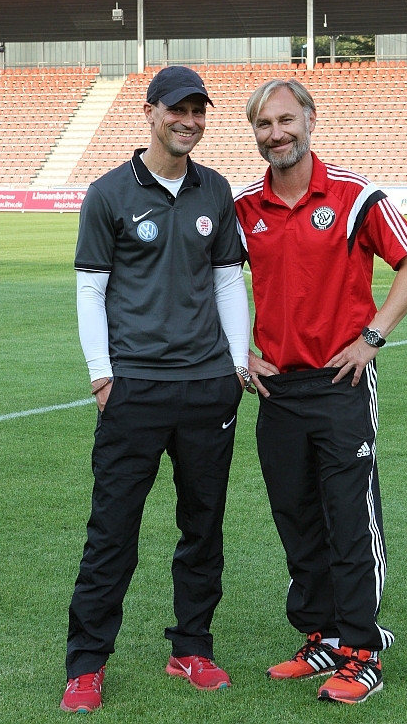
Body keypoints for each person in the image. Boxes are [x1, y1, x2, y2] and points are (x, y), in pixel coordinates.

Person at [61, 66, 254, 713]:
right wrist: (101, 373)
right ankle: (87, 664)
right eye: (178, 109)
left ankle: (191, 647)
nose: (189, 121)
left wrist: (234, 365)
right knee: (112, 530)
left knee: (203, 526)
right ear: (150, 112)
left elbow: (227, 279)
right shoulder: (109, 192)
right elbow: (91, 288)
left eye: (199, 111)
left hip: (206, 388)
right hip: (135, 389)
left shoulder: (215, 189)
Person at [233, 78, 407, 705]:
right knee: (296, 517)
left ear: (311, 120)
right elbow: (209, 282)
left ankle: (363, 652)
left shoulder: (354, 195)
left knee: (350, 518)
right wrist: (238, 353)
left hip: (341, 383)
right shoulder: (244, 207)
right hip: (276, 390)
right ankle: (322, 637)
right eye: (264, 125)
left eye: (286, 120)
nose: (277, 134)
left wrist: (372, 337)